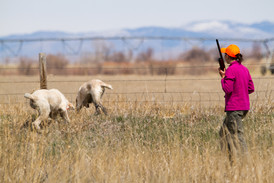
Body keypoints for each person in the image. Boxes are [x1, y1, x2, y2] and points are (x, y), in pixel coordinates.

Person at [218, 44, 255, 163]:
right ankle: (231, 161)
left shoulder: (231, 70)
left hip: (234, 109)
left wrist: (223, 77)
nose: (224, 57)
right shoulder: (244, 69)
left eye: (225, 55)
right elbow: (250, 88)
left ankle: (245, 162)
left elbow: (227, 89)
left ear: (228, 57)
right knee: (224, 133)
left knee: (237, 137)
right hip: (244, 107)